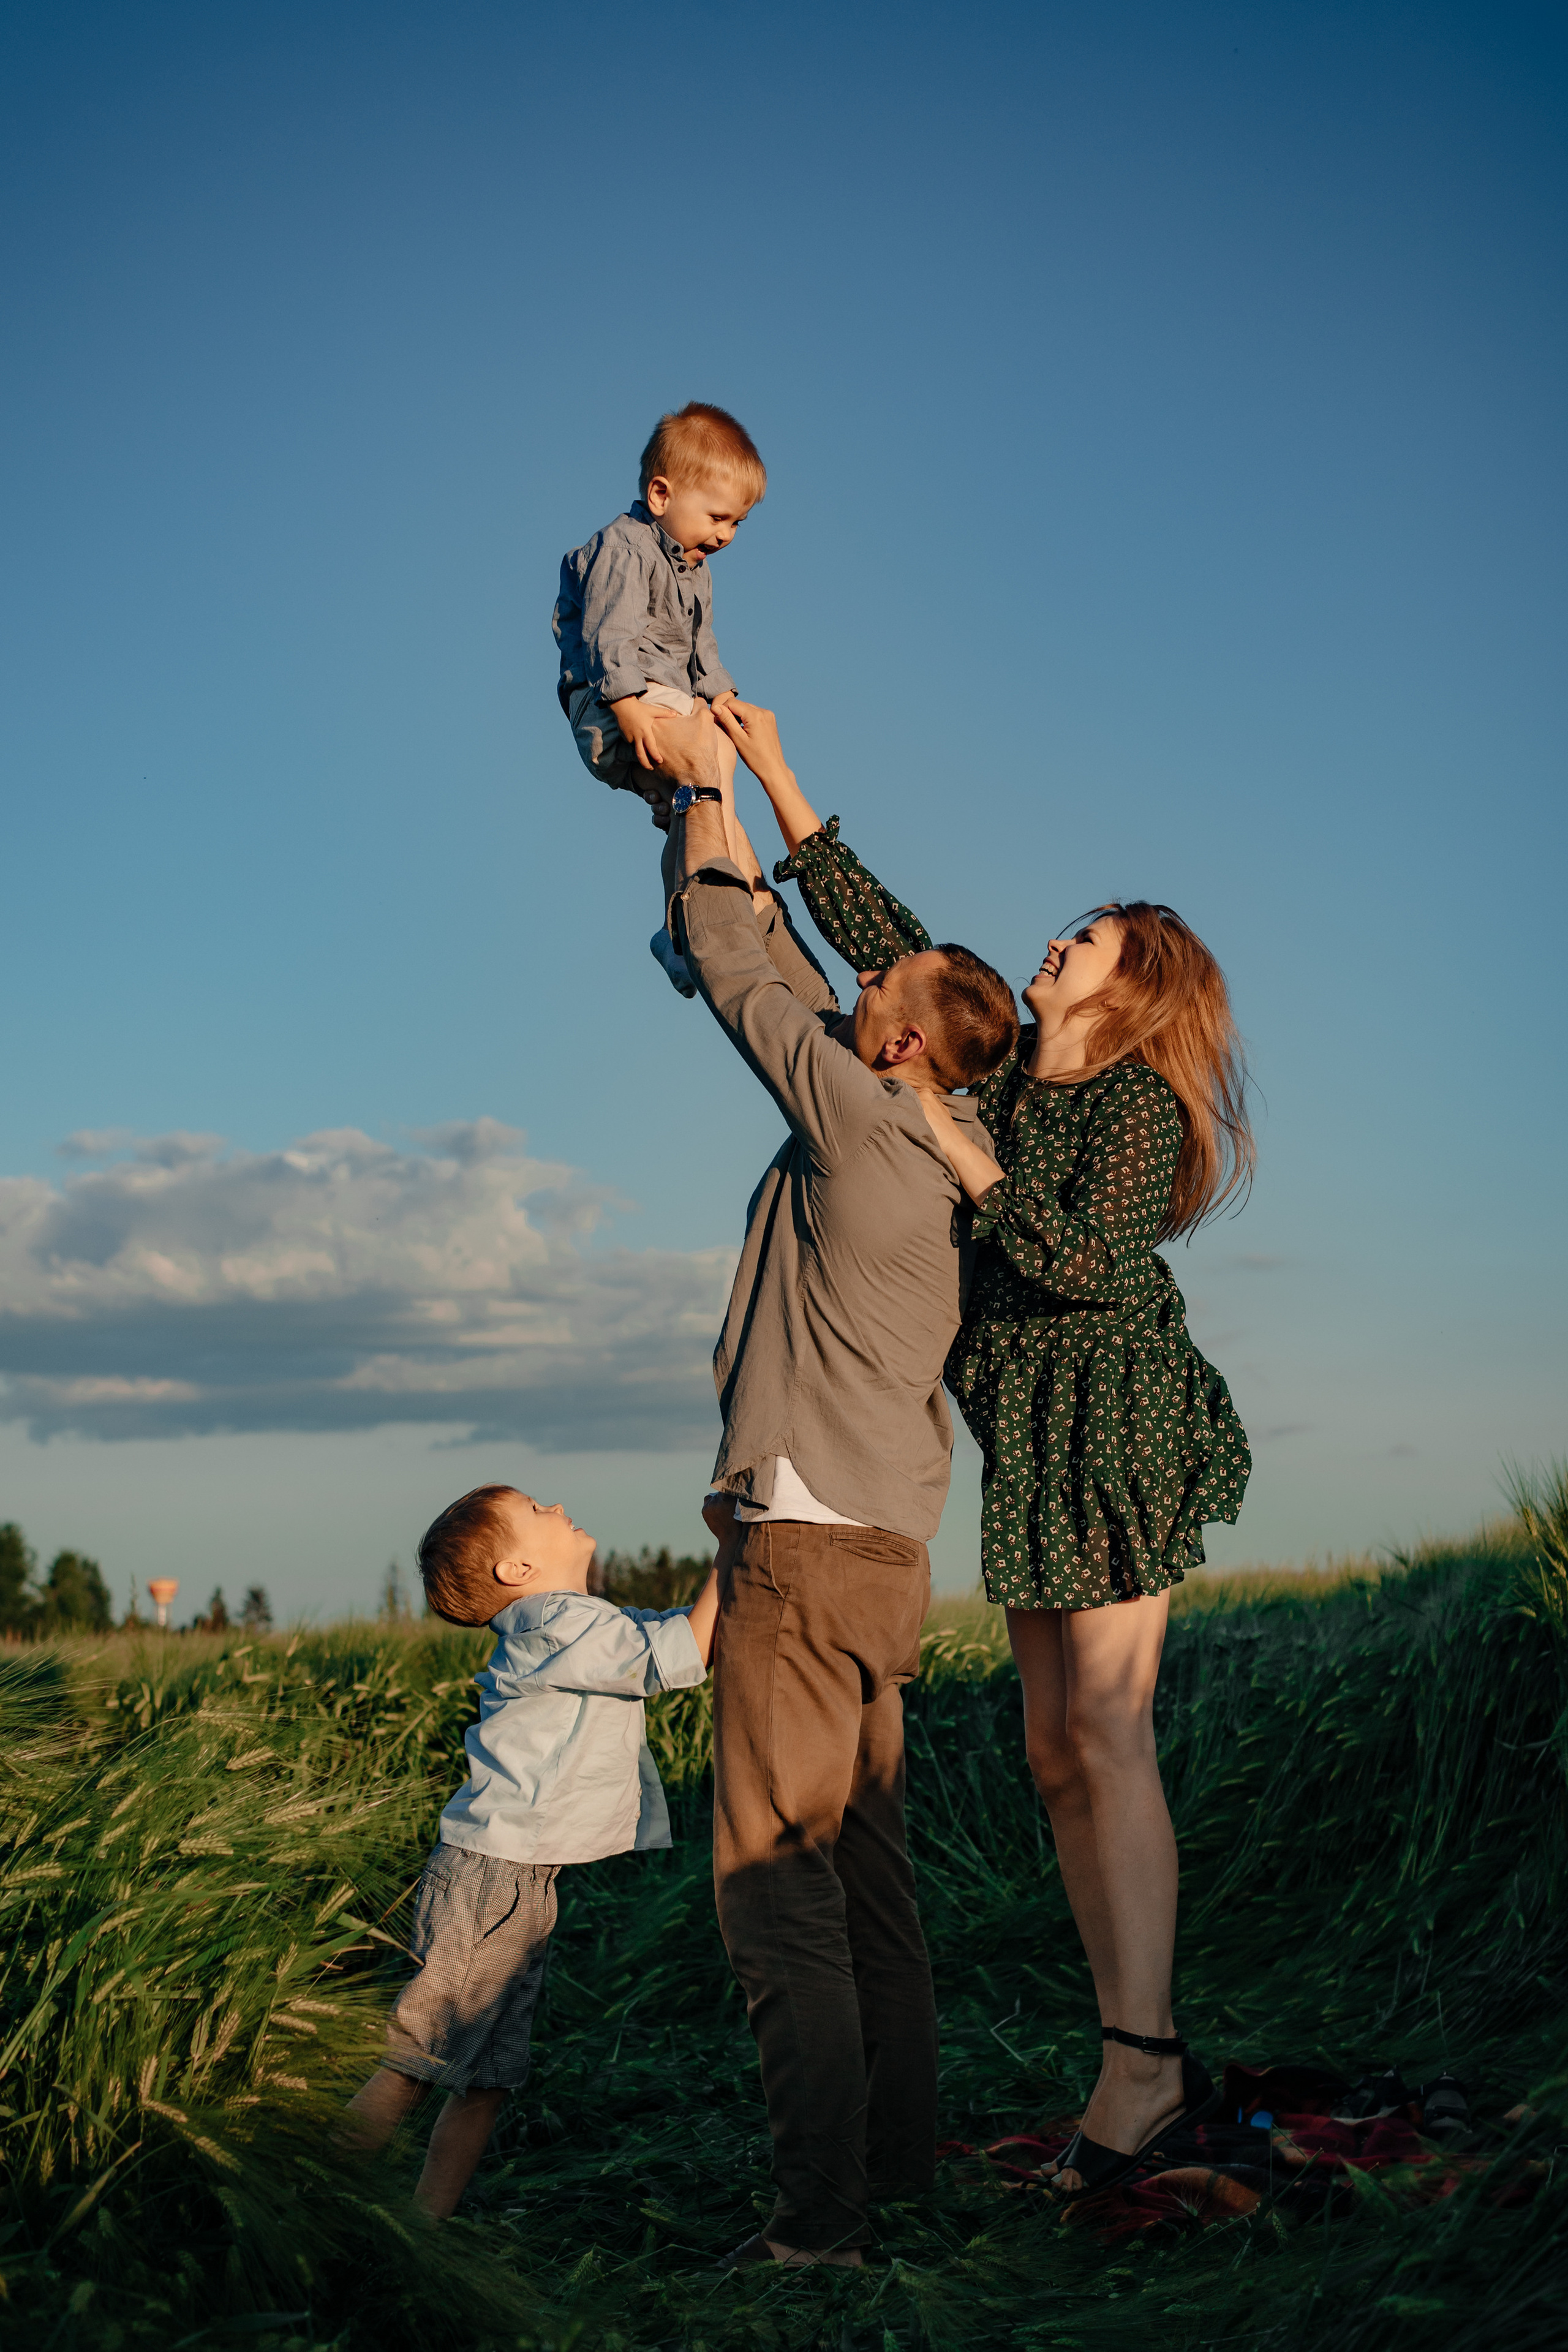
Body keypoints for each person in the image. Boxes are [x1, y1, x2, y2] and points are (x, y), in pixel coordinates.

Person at [716, 695, 1253, 2204]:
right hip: (1026, 1432)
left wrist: (958, 1151)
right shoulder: (1008, 1069)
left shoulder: (1132, 1104)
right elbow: (890, 933)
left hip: (1115, 1418)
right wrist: (770, 772)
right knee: (1046, 1748)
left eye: (1086, 938)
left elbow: (1085, 1261)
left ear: (1134, 981)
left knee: (1105, 1732)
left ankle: (1142, 2059)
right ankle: (1123, 2046)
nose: (1056, 941)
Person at [655, 704, 1019, 2267]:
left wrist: (695, 805)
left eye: (880, 989)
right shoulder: (947, 1136)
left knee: (773, 1891)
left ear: (901, 1043)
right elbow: (815, 980)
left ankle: (818, 2225)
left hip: (798, 1559)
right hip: (885, 1548)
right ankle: (898, 2181)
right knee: (870, 1883)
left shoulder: (858, 1116)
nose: (859, 982)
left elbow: (747, 977)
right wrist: (757, 793)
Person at [344, 1484, 719, 2216]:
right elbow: (683, 1651)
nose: (556, 1506)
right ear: (516, 1571)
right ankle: (311, 2200)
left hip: (513, 1879)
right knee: (418, 2059)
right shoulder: (556, 1622)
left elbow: (672, 1635)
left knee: (486, 2079)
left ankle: (426, 2231)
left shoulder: (576, 1621)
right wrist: (731, 1546)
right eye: (536, 1510)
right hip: (493, 1879)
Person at [552, 401, 766, 993]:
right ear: (661, 495)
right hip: (615, 705)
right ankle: (720, 900)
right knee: (707, 766)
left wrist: (722, 697)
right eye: (718, 517)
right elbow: (607, 634)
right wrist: (626, 704)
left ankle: (679, 934)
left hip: (662, 699)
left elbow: (703, 649)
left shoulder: (696, 570)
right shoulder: (623, 547)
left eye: (737, 524)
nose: (725, 535)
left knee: (706, 787)